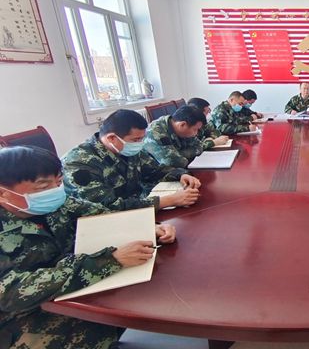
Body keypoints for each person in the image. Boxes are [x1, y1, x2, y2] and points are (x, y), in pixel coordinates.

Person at [0, 146, 178, 349]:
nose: (55, 191)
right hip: (20, 316)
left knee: (141, 293)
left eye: (58, 182)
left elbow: (103, 214)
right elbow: (10, 292)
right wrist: (108, 261)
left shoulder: (58, 203)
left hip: (70, 289)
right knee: (97, 329)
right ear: (3, 193)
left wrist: (147, 228)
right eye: (43, 187)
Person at [62, 109, 200, 211]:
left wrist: (180, 175)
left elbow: (154, 170)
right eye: (136, 139)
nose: (140, 143)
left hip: (137, 209)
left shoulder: (126, 148)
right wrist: (168, 201)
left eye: (141, 138)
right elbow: (107, 207)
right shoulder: (79, 163)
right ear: (112, 138)